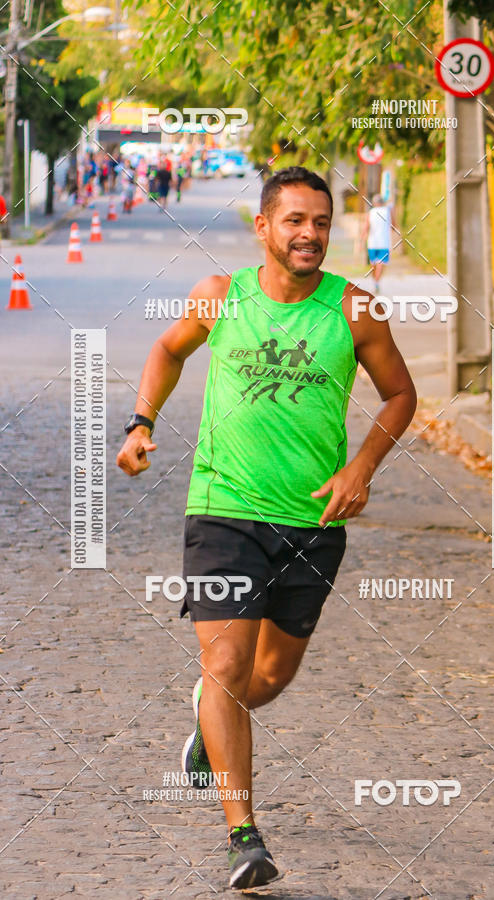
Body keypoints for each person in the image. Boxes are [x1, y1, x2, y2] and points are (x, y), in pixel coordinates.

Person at [116, 166, 416, 890]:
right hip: (223, 510)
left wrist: (362, 468)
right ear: (264, 228)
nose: (308, 233)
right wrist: (142, 421)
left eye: (319, 221)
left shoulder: (355, 311)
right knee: (224, 667)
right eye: (294, 221)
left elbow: (401, 394)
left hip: (313, 520)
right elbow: (166, 350)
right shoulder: (222, 297)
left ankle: (205, 724)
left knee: (269, 676)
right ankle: (242, 836)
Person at [361, 193, 397, 293]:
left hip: (372, 243)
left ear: (374, 203)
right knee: (381, 264)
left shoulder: (370, 212)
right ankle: (377, 282)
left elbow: (366, 227)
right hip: (384, 243)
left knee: (373, 264)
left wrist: (362, 240)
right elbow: (394, 226)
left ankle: (375, 282)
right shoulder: (388, 211)